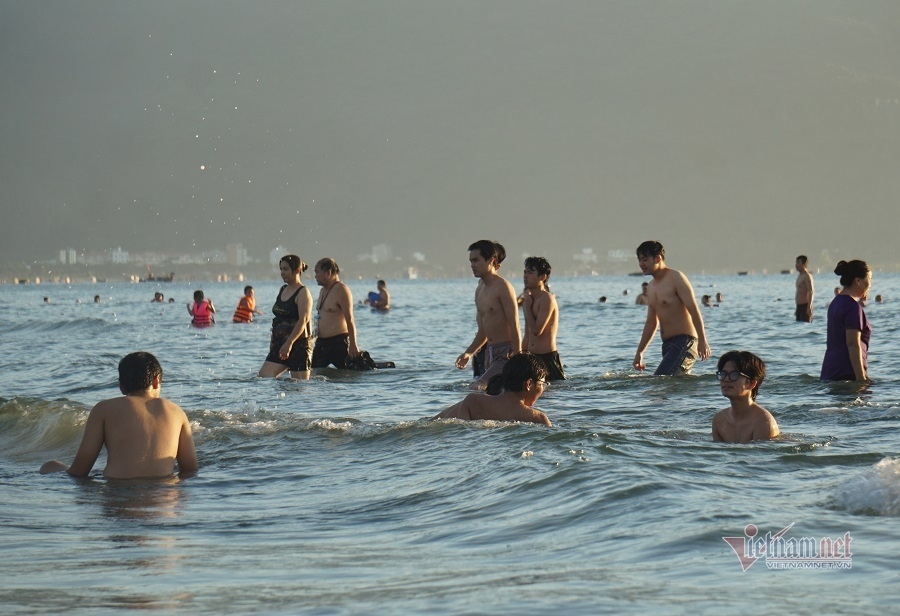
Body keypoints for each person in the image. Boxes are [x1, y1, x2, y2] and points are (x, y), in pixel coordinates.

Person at [40, 352, 198, 478]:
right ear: (156, 381)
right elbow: (190, 470)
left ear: (121, 386)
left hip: (119, 496)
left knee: (50, 465)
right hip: (163, 502)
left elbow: (80, 471)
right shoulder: (176, 412)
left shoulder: (104, 409)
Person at [632, 241, 711, 375]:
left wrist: (703, 340)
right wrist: (640, 352)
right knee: (671, 387)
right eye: (639, 260)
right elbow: (651, 323)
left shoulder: (676, 278)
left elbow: (693, 309)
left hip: (685, 342)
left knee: (660, 380)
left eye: (645, 260)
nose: (641, 264)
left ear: (658, 258)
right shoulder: (651, 287)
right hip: (667, 345)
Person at [455, 240, 521, 389]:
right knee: (492, 394)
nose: (472, 265)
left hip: (506, 353)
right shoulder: (480, 288)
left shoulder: (503, 287)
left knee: (477, 387)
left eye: (476, 260)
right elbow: (483, 330)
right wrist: (468, 353)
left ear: (491, 261)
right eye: (471, 261)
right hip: (489, 353)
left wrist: (518, 358)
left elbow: (514, 323)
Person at [434, 352, 551, 426]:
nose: (542, 389)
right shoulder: (538, 419)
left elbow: (462, 436)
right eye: (542, 384)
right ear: (529, 384)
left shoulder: (472, 402)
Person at [258, 256, 314, 380]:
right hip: (280, 344)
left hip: (298, 346)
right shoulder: (282, 289)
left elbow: (303, 321)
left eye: (285, 269)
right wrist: (273, 342)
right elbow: (278, 319)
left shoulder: (303, 293)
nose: (282, 273)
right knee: (263, 377)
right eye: (281, 269)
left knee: (299, 388)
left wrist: (289, 343)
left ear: (297, 270)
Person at [711, 350, 780, 443]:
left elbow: (762, 456)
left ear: (751, 383)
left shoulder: (764, 422)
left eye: (734, 375)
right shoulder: (719, 421)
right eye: (723, 374)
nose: (726, 379)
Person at [821, 260, 872, 382]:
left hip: (830, 371)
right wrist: (861, 379)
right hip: (847, 374)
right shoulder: (852, 307)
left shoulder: (836, 302)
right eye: (869, 280)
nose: (870, 285)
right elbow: (853, 344)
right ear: (858, 281)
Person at [312, 258, 362, 369]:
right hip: (321, 343)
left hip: (339, 343)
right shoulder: (323, 291)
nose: (315, 276)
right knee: (311, 371)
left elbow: (350, 319)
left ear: (328, 272)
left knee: (351, 372)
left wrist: (353, 344)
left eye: (317, 272)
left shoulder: (341, 290)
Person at [521, 257, 566, 381]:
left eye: (530, 273)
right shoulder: (529, 300)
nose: (525, 276)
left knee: (551, 394)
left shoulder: (547, 299)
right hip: (531, 357)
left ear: (542, 277)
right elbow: (528, 334)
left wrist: (526, 307)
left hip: (546, 358)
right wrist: (519, 354)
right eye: (525, 272)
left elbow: (537, 330)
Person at [795, 255, 815, 322]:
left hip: (805, 306)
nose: (796, 265)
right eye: (796, 262)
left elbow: (811, 291)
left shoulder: (807, 276)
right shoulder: (800, 276)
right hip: (799, 306)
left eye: (798, 262)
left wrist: (809, 306)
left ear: (804, 264)